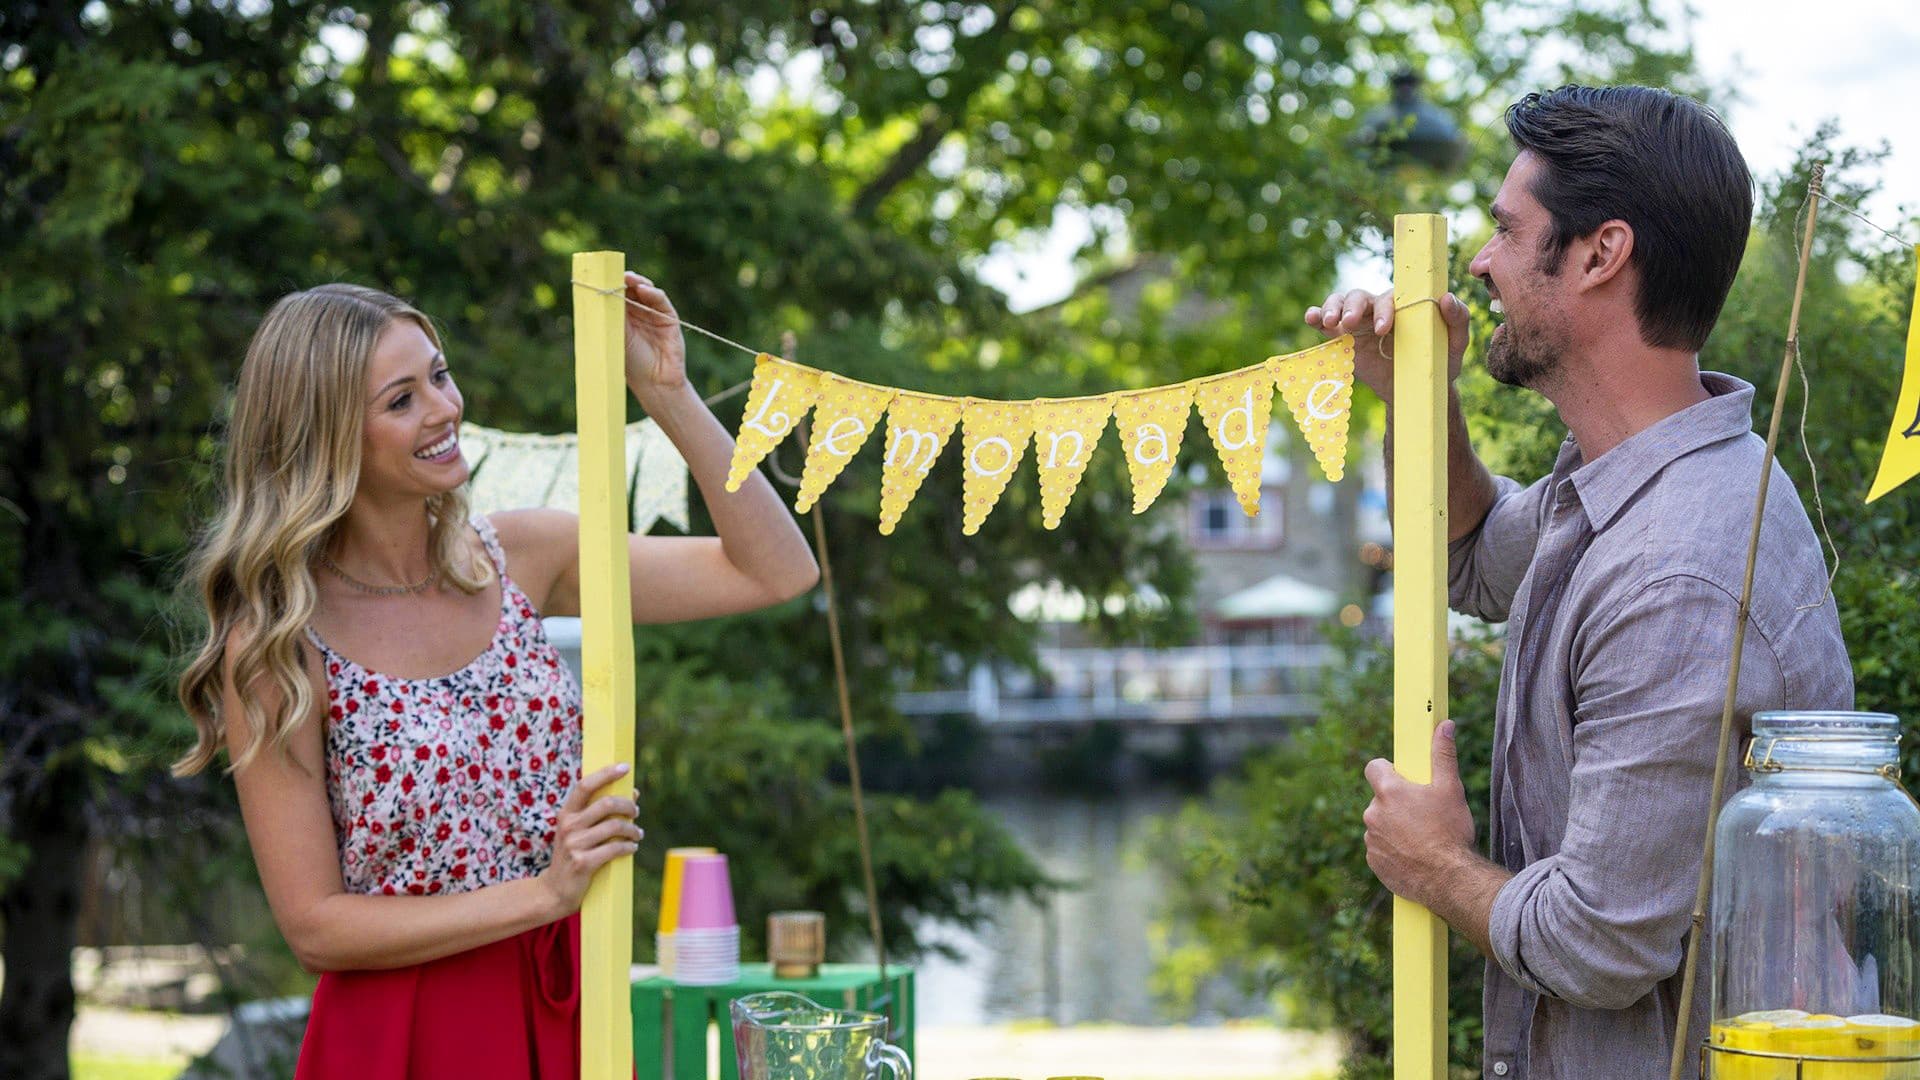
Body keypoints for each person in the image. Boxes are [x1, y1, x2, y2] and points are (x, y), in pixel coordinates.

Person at [1303, 85, 1852, 1079]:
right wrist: (1415, 395)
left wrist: (1436, 868)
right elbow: (1465, 558)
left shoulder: (1679, 569)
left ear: (1601, 254)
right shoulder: (1627, 483)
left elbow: (1599, 944)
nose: (1479, 263)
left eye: (1507, 231)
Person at [174, 275, 819, 1077]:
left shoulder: (520, 557)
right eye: (401, 399)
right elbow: (315, 928)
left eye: (439, 376)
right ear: (328, 435)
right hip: (403, 1031)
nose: (446, 409)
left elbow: (775, 572)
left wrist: (668, 391)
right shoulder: (279, 642)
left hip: (570, 1000)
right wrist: (545, 895)